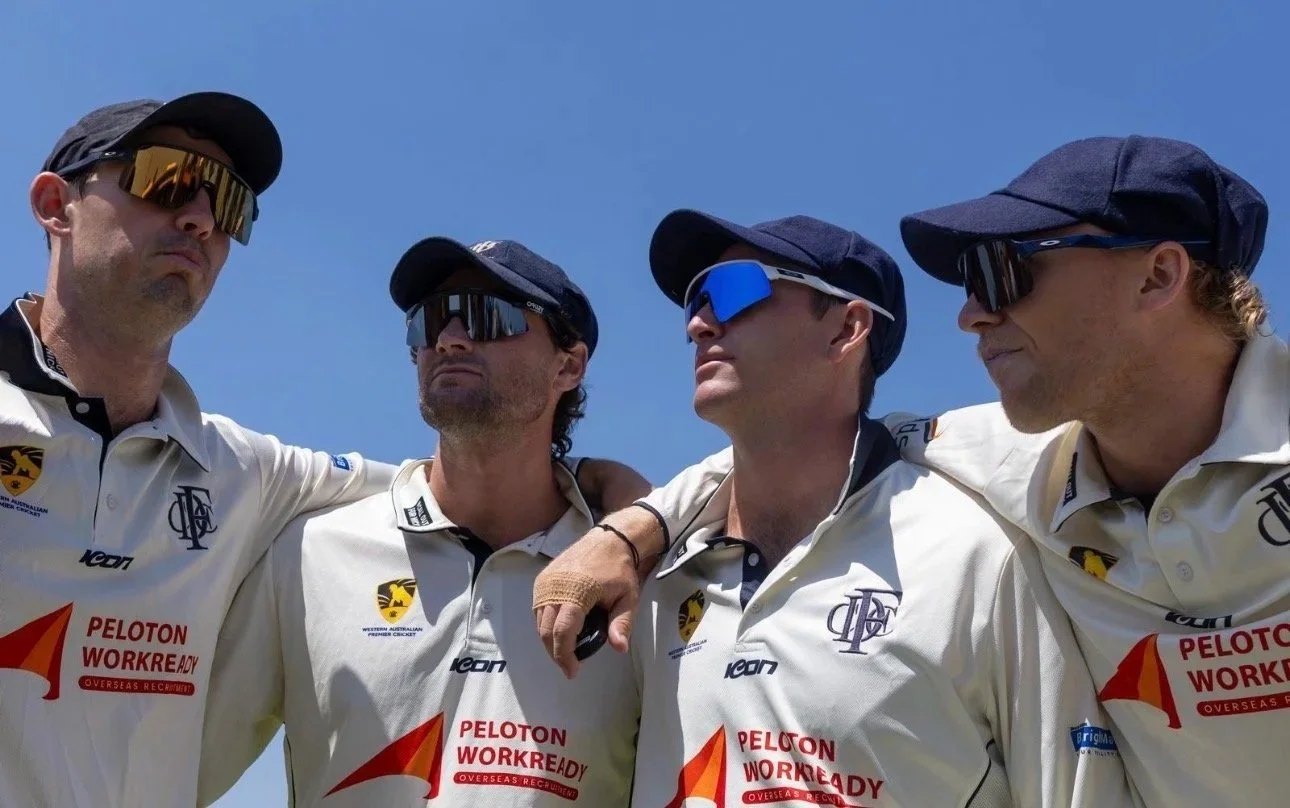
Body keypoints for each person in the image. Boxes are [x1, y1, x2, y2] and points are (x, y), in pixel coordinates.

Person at [537, 136, 1280, 807]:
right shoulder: (1000, 458)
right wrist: (633, 528)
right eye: (695, 302)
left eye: (1001, 271)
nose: (969, 315)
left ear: (1157, 276)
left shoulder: (980, 538)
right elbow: (806, 448)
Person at [0, 94, 640, 808]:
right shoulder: (287, 519)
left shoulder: (245, 471)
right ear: (55, 205)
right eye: (165, 179)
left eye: (227, 203)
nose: (202, 218)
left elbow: (460, 487)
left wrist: (626, 518)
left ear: (569, 366)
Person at [196, 237, 648, 807]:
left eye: (487, 316)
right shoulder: (310, 554)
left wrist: (638, 521)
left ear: (568, 365)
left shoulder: (638, 582)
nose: (450, 338)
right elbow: (174, 773)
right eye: (430, 320)